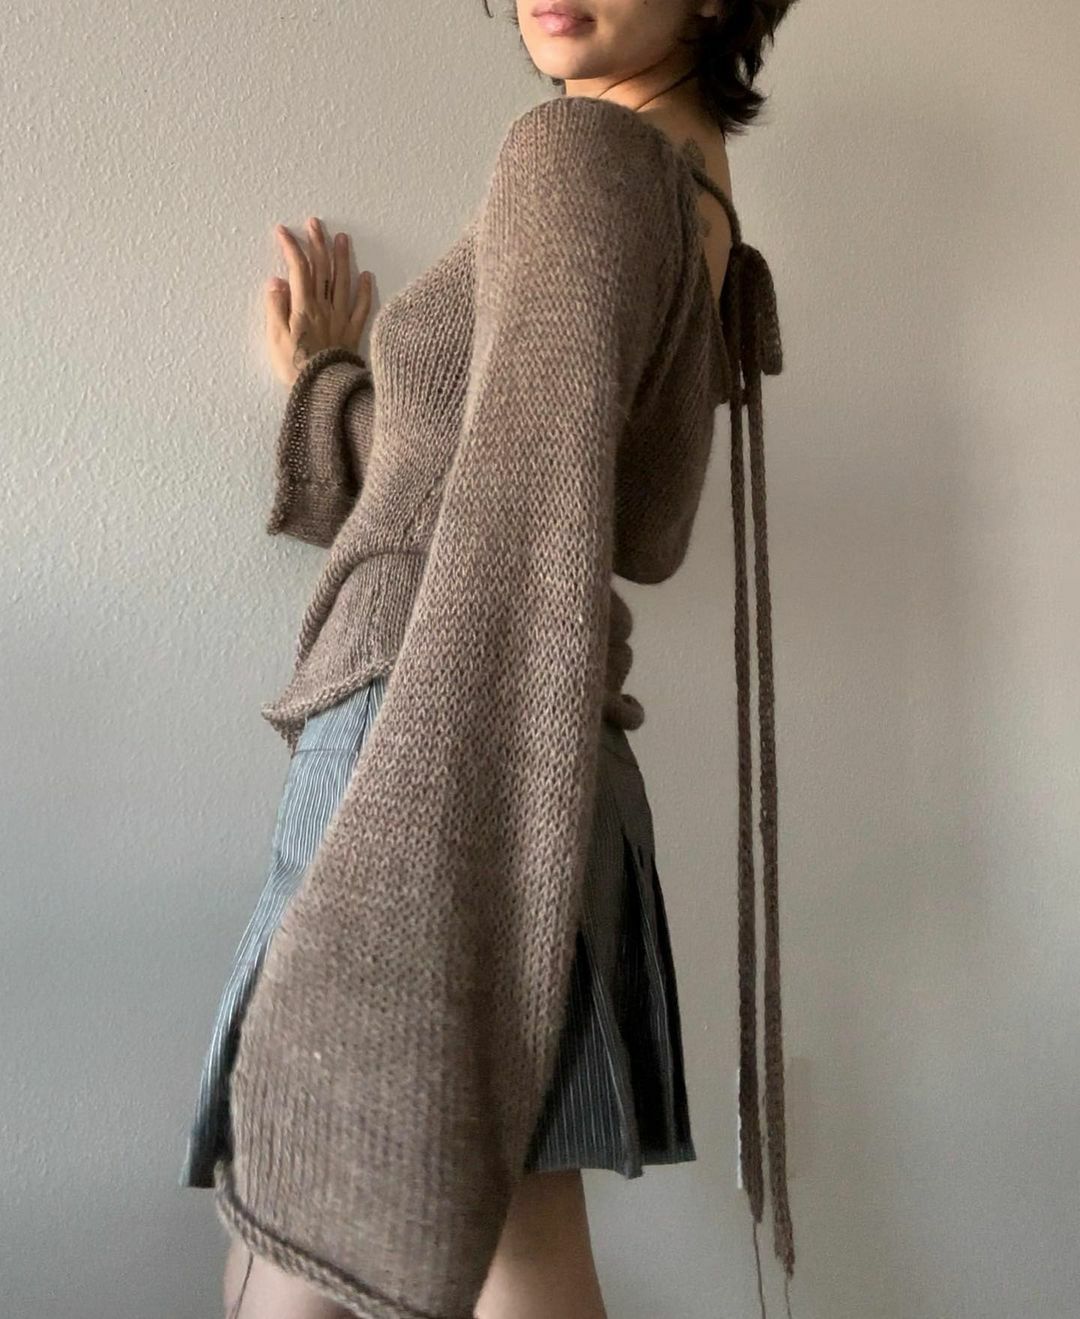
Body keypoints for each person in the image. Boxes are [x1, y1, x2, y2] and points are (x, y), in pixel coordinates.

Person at [179, 2, 795, 1316]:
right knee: (519, 1226)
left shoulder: (578, 158)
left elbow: (517, 522)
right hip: (543, 734)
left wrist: (416, 848)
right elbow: (570, 504)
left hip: (444, 720)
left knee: (307, 1197)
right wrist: (340, 392)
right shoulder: (696, 205)